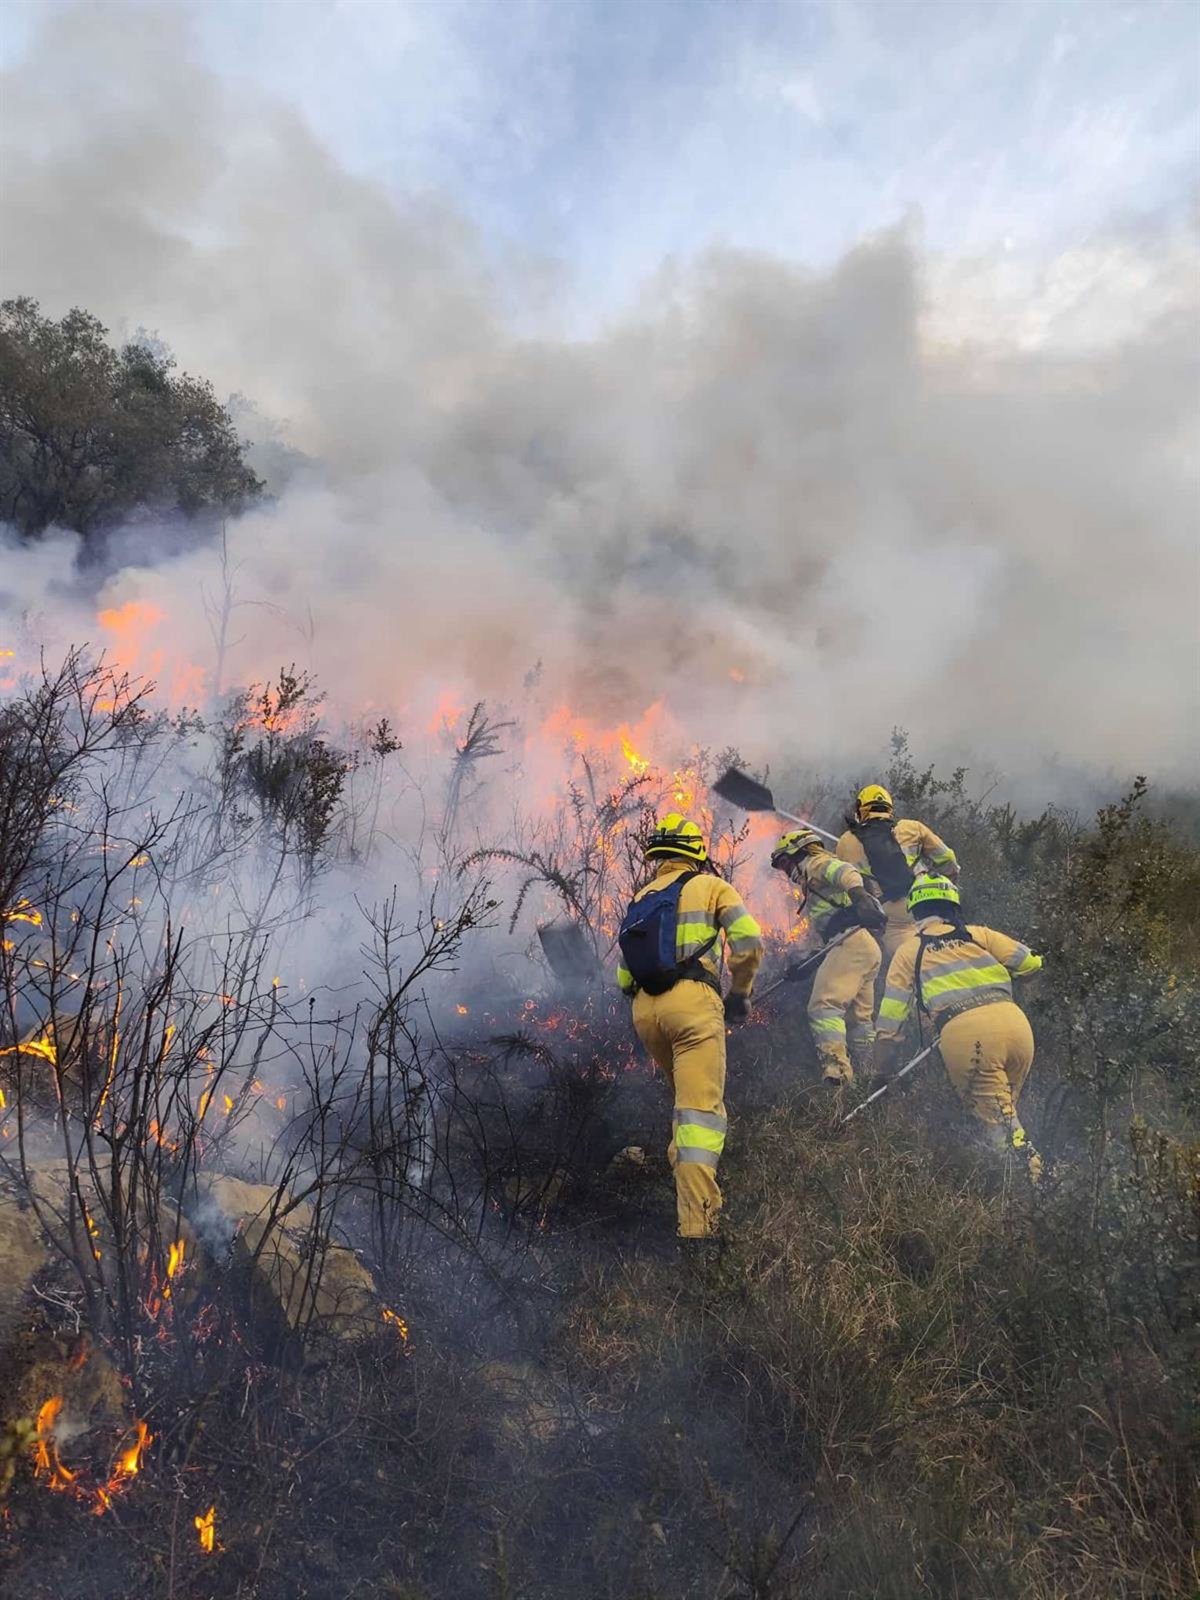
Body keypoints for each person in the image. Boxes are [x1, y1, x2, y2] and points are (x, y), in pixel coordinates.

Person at [617, 814, 763, 1244]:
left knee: (685, 1108)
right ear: (696, 854)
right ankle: (699, 1235)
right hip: (693, 1004)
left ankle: (686, 1181)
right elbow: (749, 942)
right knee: (701, 1117)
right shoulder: (710, 885)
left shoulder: (640, 898)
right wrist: (740, 993)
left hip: (647, 1014)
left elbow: (623, 979)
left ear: (656, 857)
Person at [875, 874, 1044, 1178]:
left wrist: (880, 1073)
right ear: (953, 903)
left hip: (968, 1035)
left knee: (1004, 1129)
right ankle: (1000, 1186)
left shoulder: (908, 952)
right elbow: (1032, 963)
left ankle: (1034, 1190)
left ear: (915, 910)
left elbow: (890, 1023)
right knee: (1003, 1114)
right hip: (1017, 1026)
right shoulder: (980, 934)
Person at [771, 827, 888, 1086]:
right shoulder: (811, 882)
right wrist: (806, 965)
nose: (787, 871)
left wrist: (861, 899)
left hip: (851, 943)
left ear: (798, 852)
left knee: (823, 1006)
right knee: (858, 1019)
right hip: (864, 947)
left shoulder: (814, 862)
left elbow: (845, 871)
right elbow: (830, 935)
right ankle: (869, 1075)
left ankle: (838, 1075)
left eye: (785, 862)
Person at [836, 784, 960, 962]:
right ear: (889, 808)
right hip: (925, 902)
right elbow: (948, 859)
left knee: (909, 963)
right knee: (944, 955)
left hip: (889, 916)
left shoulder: (845, 842)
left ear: (860, 809)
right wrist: (948, 888)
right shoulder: (913, 828)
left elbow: (845, 885)